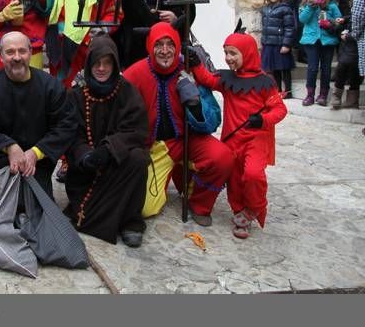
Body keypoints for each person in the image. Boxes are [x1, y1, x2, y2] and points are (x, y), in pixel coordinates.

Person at [124, 23, 233, 226]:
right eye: (159, 44)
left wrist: (195, 105)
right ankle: (175, 174)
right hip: (154, 147)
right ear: (150, 46)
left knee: (222, 157)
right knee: (146, 209)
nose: (165, 51)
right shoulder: (135, 74)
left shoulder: (190, 69)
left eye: (170, 44)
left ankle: (198, 202)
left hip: (187, 141)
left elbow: (213, 120)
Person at [190, 33, 287, 239]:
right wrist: (196, 63)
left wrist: (263, 120)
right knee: (234, 179)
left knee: (253, 174)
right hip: (232, 140)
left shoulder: (265, 82)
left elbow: (280, 110)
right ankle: (239, 214)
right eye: (226, 53)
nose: (228, 58)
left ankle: (254, 207)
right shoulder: (228, 80)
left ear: (248, 53)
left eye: (233, 53)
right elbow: (207, 79)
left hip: (256, 139)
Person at [64, 35, 149, 247]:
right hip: (87, 170)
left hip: (116, 163)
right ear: (89, 63)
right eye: (96, 63)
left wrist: (109, 150)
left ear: (115, 64)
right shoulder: (76, 94)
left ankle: (130, 221)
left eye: (107, 63)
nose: (101, 68)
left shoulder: (127, 91)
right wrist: (84, 154)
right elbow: (69, 132)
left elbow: (136, 130)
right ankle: (92, 213)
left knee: (139, 158)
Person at [0, 32, 77, 198]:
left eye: (22, 51)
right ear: (0, 56)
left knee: (35, 210)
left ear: (31, 52)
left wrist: (36, 152)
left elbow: (66, 125)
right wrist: (9, 146)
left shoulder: (51, 87)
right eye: (10, 52)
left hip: (36, 163)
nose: (17, 57)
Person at [298, 0, 342, 106]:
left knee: (326, 68)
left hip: (327, 40)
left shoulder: (331, 5)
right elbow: (302, 19)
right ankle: (310, 94)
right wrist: (310, 7)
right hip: (311, 40)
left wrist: (330, 23)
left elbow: (339, 21)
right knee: (312, 68)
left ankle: (323, 94)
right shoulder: (306, 3)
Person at [259, 0, 296, 98]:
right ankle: (278, 90)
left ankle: (288, 91)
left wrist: (286, 44)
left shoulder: (285, 9)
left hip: (280, 44)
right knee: (274, 69)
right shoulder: (265, 9)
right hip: (269, 43)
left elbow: (290, 27)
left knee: (284, 68)